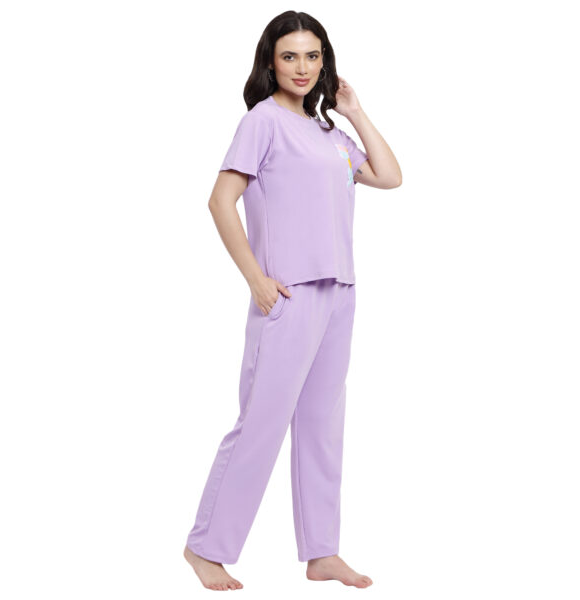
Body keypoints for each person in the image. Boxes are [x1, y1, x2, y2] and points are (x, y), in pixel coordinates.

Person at [183, 10, 402, 591]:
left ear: (324, 61)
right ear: (271, 62)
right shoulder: (262, 122)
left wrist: (354, 111)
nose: (302, 67)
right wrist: (256, 279)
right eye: (289, 56)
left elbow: (389, 176)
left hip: (339, 292)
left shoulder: (329, 132)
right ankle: (206, 548)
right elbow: (220, 201)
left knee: (322, 426)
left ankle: (322, 552)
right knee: (261, 423)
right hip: (287, 296)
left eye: (312, 56)